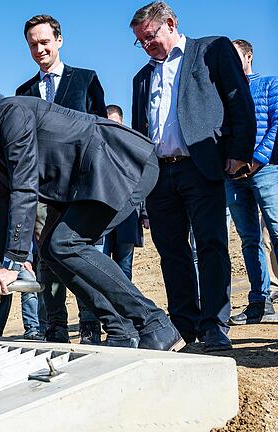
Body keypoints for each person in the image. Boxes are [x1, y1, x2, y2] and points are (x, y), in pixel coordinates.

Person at [0, 98, 185, 351]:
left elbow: (25, 187)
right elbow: (7, 203)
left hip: (122, 163)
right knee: (50, 248)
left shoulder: (7, 116)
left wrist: (14, 262)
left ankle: (155, 323)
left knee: (66, 243)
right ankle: (120, 328)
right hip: (87, 182)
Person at [129, 1, 255, 351]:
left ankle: (215, 323)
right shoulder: (142, 77)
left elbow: (238, 101)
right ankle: (183, 323)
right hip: (159, 174)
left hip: (200, 166)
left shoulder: (210, 51)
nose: (146, 45)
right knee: (171, 251)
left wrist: (239, 151)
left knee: (211, 244)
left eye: (150, 36)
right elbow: (142, 130)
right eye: (140, 41)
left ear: (170, 23)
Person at [13, 14, 108, 345]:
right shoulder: (23, 92)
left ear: (59, 40)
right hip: (44, 191)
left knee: (85, 255)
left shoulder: (85, 80)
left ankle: (90, 324)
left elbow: (101, 133)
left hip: (82, 187)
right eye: (32, 44)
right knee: (47, 259)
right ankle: (54, 326)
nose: (39, 49)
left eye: (44, 41)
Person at [226, 39, 278, 325]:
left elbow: (276, 122)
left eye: (237, 56)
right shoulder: (225, 94)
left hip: (266, 169)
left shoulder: (270, 85)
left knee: (277, 231)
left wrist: (258, 158)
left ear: (249, 56)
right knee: (249, 240)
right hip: (233, 177)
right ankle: (260, 301)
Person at [102, 105, 149, 281]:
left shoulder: (134, 146)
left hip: (128, 216)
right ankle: (107, 309)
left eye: (115, 122)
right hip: (102, 218)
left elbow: (143, 181)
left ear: (122, 122)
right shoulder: (98, 146)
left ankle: (124, 308)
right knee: (102, 266)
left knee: (124, 268)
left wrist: (144, 213)